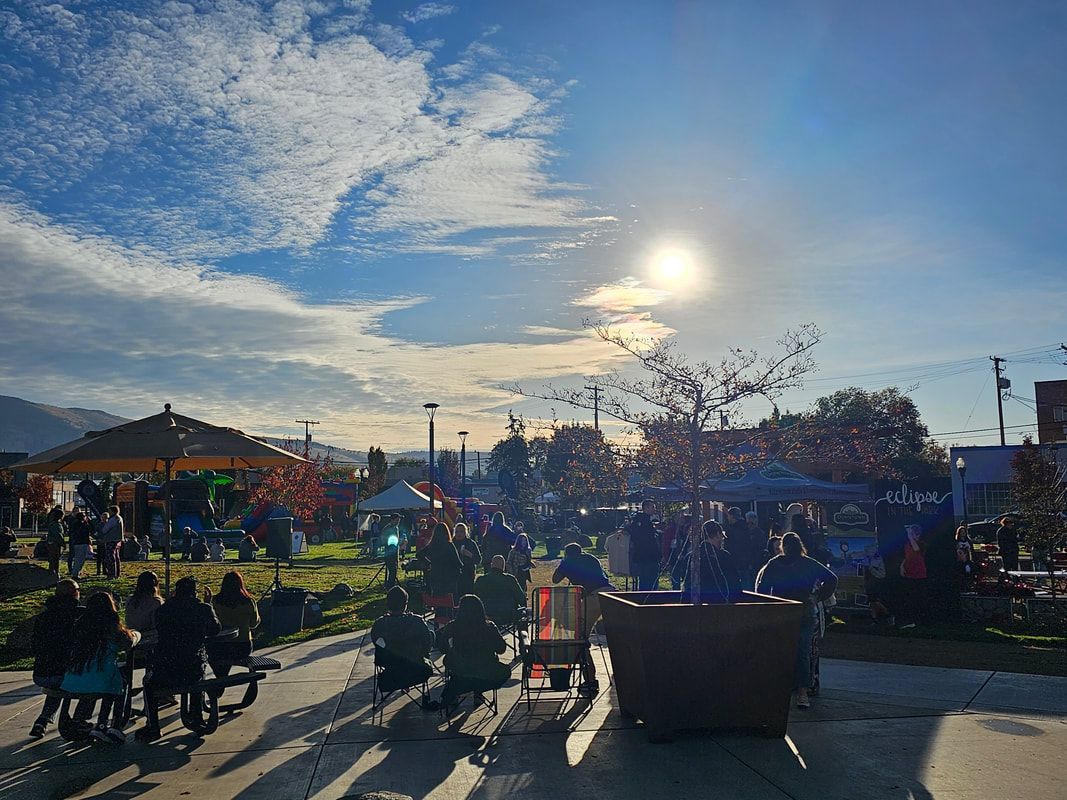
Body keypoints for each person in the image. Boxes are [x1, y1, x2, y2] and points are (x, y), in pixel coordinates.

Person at [756, 532, 838, 709]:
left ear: (783, 547)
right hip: (805, 610)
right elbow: (832, 578)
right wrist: (818, 597)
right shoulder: (808, 564)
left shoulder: (774, 564)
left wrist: (766, 607)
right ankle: (802, 692)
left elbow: (761, 588)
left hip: (781, 611)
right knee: (802, 652)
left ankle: (778, 687)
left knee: (780, 650)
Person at [138, 576, 221, 742]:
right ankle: (197, 716)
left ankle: (153, 726)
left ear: (176, 591)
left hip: (166, 668)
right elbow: (215, 629)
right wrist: (209, 605)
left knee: (148, 682)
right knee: (198, 670)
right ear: (194, 592)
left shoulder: (163, 610)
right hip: (192, 668)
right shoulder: (202, 608)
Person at [61, 590, 141, 744]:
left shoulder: (80, 625)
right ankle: (112, 724)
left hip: (73, 679)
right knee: (119, 684)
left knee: (109, 682)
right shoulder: (111, 627)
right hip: (100, 677)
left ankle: (92, 722)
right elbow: (128, 643)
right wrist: (137, 634)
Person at [29, 579, 94, 739]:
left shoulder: (43, 617)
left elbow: (35, 646)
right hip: (65, 673)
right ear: (75, 594)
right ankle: (80, 718)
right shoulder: (80, 616)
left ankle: (42, 720)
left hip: (41, 674)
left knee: (58, 683)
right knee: (95, 681)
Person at [553, 542, 615, 692]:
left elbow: (555, 579)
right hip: (611, 594)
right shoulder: (592, 558)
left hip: (593, 597)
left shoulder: (567, 562)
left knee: (580, 638)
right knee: (617, 637)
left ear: (567, 553)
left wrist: (563, 563)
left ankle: (590, 680)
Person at [436, 594, 510, 714]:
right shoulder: (489, 626)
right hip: (486, 668)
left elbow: (442, 646)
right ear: (481, 609)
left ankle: (457, 690)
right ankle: (478, 691)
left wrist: (450, 652)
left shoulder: (454, 626)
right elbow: (501, 649)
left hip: (461, 668)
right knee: (504, 671)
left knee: (452, 663)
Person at [370, 585, 435, 693]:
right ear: (405, 604)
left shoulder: (379, 624)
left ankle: (402, 681)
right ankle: (407, 682)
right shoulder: (417, 622)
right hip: (416, 667)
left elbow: (377, 645)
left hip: (390, 666)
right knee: (431, 634)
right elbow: (427, 643)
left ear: (388, 604)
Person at [671, 520, 741, 602]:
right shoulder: (723, 556)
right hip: (718, 602)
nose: (722, 540)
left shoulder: (690, 556)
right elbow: (733, 580)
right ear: (718, 535)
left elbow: (684, 577)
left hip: (693, 602)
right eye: (722, 537)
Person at [209, 570, 260, 677]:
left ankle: (220, 681)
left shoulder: (215, 601)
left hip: (221, 646)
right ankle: (221, 682)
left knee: (217, 660)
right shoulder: (248, 602)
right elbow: (254, 624)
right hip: (242, 646)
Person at [475, 554, 527, 626]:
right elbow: (521, 598)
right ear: (503, 566)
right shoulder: (510, 579)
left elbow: (475, 597)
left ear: (491, 565)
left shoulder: (481, 580)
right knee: (523, 614)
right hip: (507, 614)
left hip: (486, 613)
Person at [422, 522, 463, 602]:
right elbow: (458, 562)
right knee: (451, 600)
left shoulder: (432, 546)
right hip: (449, 577)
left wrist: (428, 563)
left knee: (438, 599)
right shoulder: (449, 545)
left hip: (435, 575)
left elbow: (419, 555)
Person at [627, 500, 662, 591]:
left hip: (644, 557)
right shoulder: (643, 522)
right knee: (649, 582)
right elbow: (646, 540)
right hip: (648, 557)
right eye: (652, 507)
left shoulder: (641, 521)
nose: (654, 509)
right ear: (646, 508)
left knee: (646, 581)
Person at [899, 524, 928, 628]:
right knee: (910, 599)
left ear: (918, 534)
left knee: (918, 599)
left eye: (912, 533)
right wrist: (902, 566)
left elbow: (916, 550)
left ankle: (919, 621)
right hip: (909, 575)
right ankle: (911, 621)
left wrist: (910, 535)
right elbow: (907, 556)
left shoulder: (921, 543)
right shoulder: (907, 544)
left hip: (919, 575)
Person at [125, 571, 164, 635]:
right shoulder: (156, 602)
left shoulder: (130, 599)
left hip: (132, 633)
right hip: (148, 634)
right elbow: (156, 624)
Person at [454, 522, 482, 597]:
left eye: (461, 531)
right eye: (457, 531)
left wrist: (470, 555)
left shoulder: (471, 543)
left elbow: (478, 560)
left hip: (468, 575)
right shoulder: (452, 543)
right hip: (455, 576)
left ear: (465, 532)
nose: (459, 534)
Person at [99, 506, 124, 578]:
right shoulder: (119, 518)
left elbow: (105, 529)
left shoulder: (113, 519)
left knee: (110, 557)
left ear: (113, 511)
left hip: (111, 540)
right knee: (116, 557)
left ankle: (111, 573)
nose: (109, 512)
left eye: (110, 511)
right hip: (118, 540)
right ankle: (117, 573)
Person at [68, 513, 93, 578]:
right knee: (80, 559)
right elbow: (89, 531)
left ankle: (75, 572)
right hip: (82, 542)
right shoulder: (84, 525)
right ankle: (75, 573)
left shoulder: (74, 524)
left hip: (76, 543)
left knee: (77, 558)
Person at [45, 507, 66, 578]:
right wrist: (63, 543)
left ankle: (51, 572)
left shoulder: (53, 523)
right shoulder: (56, 525)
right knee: (55, 559)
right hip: (55, 544)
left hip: (51, 543)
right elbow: (58, 535)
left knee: (52, 559)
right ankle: (55, 573)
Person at [956, 525, 975, 592]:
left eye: (964, 532)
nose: (963, 533)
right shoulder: (956, 541)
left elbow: (972, 551)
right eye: (961, 532)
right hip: (959, 560)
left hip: (968, 560)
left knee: (969, 572)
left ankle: (969, 587)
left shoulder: (969, 541)